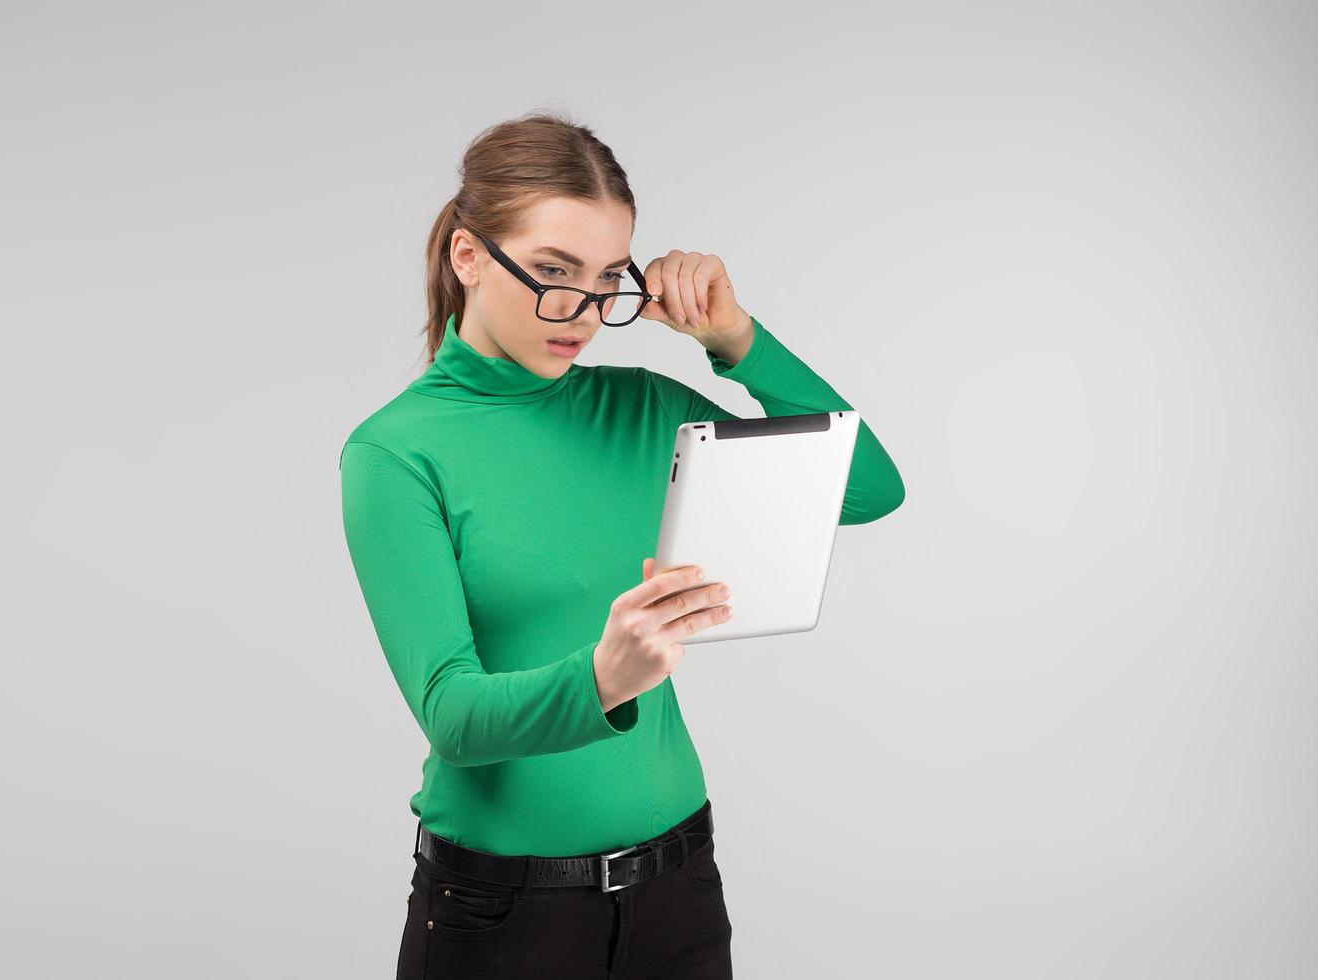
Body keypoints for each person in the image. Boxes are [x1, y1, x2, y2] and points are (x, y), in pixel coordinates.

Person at [339, 110, 906, 980]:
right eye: (552, 273)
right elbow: (451, 715)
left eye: (609, 279)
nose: (586, 314)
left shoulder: (642, 408)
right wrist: (603, 679)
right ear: (467, 258)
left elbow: (867, 488)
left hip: (677, 886)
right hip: (500, 917)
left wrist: (735, 339)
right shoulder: (395, 453)